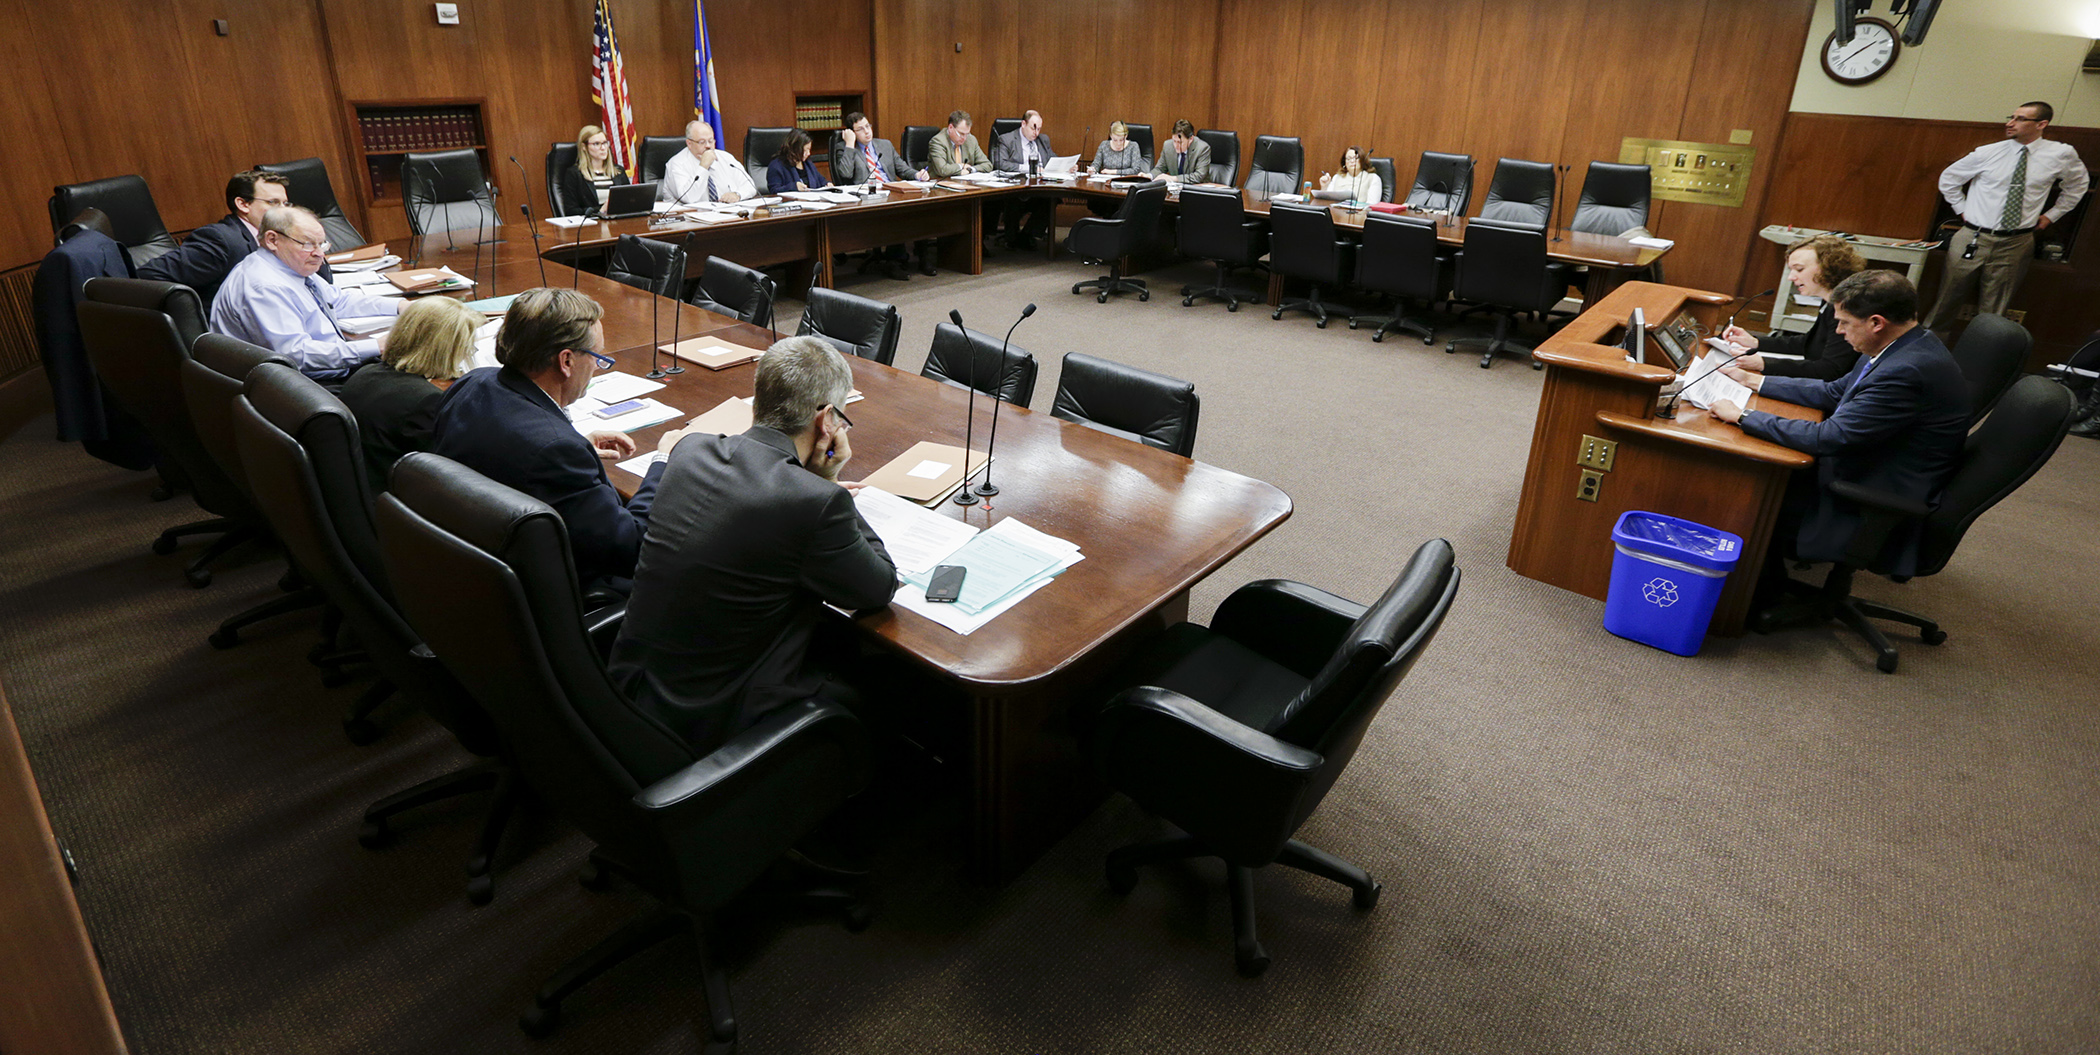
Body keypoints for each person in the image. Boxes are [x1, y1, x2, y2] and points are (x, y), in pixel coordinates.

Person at [609, 335, 897, 754]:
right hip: (714, 724)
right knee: (882, 686)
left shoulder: (690, 450)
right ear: (827, 421)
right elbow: (878, 586)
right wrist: (826, 480)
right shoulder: (813, 500)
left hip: (628, 693)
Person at [1709, 270, 1970, 584]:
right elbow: (1835, 391)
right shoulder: (1901, 345)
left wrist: (1743, 416)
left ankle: (1757, 595)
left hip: (1870, 489)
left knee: (1746, 490)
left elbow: (1829, 437)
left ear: (1876, 322)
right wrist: (1756, 381)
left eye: (1845, 322)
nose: (1840, 331)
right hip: (1872, 460)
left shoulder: (1907, 371)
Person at [429, 287, 665, 594]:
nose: (596, 367)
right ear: (566, 361)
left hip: (467, 578)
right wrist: (664, 461)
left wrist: (575, 441)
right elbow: (632, 549)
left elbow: (504, 448)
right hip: (562, 596)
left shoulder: (473, 384)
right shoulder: (555, 452)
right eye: (597, 357)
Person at [1924, 101, 2089, 334]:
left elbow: (2078, 186)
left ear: (2042, 124)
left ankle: (1980, 363)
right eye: (2011, 117)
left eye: (2021, 119)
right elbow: (1949, 179)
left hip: (2015, 242)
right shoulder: (1988, 152)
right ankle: (1925, 357)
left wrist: (2053, 215)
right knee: (1946, 301)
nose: (2010, 123)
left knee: (1994, 313)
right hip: (1973, 236)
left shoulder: (2060, 154)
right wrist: (1962, 209)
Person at [208, 205, 402, 383]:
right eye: (308, 244)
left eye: (322, 244)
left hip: (325, 370)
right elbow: (296, 355)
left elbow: (338, 301)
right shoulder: (264, 286)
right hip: (305, 387)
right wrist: (376, 346)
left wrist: (401, 307)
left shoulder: (288, 266)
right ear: (272, 240)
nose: (319, 254)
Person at [339, 296, 480, 494]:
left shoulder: (366, 372)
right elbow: (452, 473)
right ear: (446, 351)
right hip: (395, 502)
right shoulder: (425, 401)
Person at [141, 169, 331, 309]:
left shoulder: (283, 237)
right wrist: (193, 319)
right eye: (273, 203)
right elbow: (148, 276)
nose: (284, 210)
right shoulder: (220, 240)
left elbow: (321, 281)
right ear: (243, 204)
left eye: (285, 203)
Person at [1719, 233, 1867, 381]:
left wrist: (1764, 363)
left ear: (1829, 267)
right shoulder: (1830, 301)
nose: (1791, 277)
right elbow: (1808, 344)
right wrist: (1756, 342)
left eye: (1799, 269)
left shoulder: (1849, 308)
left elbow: (1829, 370)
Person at [830, 111, 938, 277]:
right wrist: (850, 145)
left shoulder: (884, 145)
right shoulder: (844, 149)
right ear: (851, 133)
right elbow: (844, 174)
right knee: (897, 214)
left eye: (868, 126)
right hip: (868, 198)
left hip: (892, 191)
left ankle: (923, 257)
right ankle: (895, 262)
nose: (867, 131)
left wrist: (917, 175)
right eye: (860, 129)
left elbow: (901, 167)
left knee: (919, 207)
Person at [992, 110, 1057, 250]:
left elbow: (1052, 158)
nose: (1036, 132)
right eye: (1033, 128)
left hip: (1040, 187)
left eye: (1039, 128)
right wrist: (1028, 168)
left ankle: (1028, 235)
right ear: (1023, 124)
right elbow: (999, 163)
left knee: (1053, 198)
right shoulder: (1006, 139)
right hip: (1016, 188)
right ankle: (1012, 238)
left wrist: (1066, 165)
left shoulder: (1043, 139)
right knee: (1012, 200)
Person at [660, 120, 756, 206]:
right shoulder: (677, 164)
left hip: (724, 216)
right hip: (689, 221)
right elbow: (689, 198)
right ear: (689, 143)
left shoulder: (726, 158)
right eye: (702, 142)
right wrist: (703, 166)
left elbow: (750, 186)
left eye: (711, 141)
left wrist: (737, 194)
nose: (708, 146)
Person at [558, 124, 630, 217]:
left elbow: (629, 201)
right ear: (584, 147)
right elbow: (571, 211)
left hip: (620, 222)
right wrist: (600, 210)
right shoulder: (575, 174)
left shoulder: (619, 171)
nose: (603, 148)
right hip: (592, 225)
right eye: (596, 144)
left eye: (605, 143)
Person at [926, 109, 994, 178]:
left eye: (967, 134)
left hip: (965, 184)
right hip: (942, 183)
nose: (964, 138)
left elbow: (988, 165)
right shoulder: (938, 141)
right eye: (961, 134)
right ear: (950, 128)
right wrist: (961, 166)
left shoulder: (971, 140)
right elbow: (942, 169)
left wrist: (970, 169)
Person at [766, 128, 829, 194]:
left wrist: (827, 184)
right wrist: (794, 187)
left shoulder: (808, 163)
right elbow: (774, 191)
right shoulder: (776, 166)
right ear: (795, 148)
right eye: (805, 150)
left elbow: (821, 180)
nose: (808, 153)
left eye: (809, 149)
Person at [1318, 146, 1382, 204]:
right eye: (1348, 159)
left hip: (1359, 215)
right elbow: (1326, 202)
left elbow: (1372, 205)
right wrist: (1324, 187)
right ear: (1345, 163)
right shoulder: (1337, 177)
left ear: (1362, 160)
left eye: (1356, 158)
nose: (1352, 161)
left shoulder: (1373, 178)